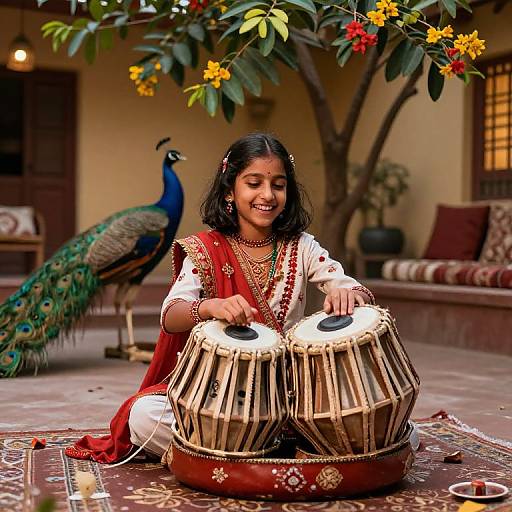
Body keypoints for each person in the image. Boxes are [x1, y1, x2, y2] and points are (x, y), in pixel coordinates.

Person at [66, 132, 374, 463]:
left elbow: (351, 287)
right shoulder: (205, 250)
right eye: (254, 183)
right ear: (230, 190)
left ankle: (223, 454)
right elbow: (171, 315)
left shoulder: (303, 247)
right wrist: (210, 307)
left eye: (279, 185)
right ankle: (274, 449)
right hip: (220, 393)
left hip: (292, 394)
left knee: (390, 421)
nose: (267, 195)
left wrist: (347, 292)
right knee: (145, 415)